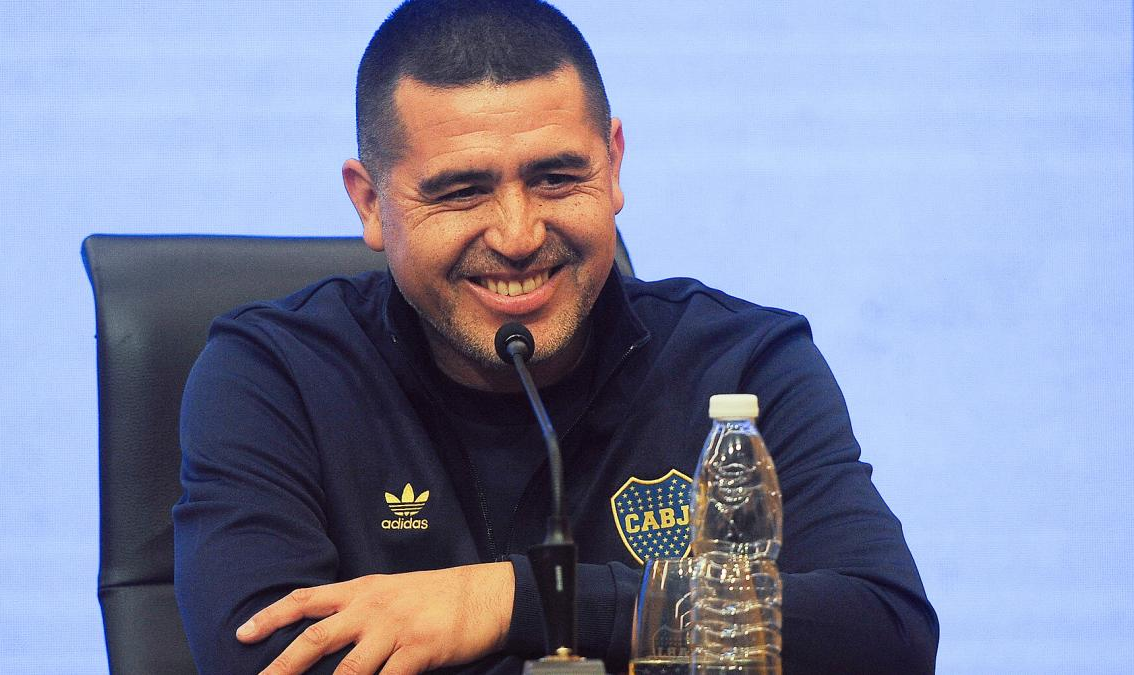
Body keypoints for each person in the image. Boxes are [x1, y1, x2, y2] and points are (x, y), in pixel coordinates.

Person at [173, 1, 939, 673]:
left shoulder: (744, 364)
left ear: (613, 164)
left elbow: (885, 635)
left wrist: (514, 600)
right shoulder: (272, 374)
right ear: (371, 202)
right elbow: (270, 660)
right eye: (462, 191)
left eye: (556, 178)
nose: (518, 235)